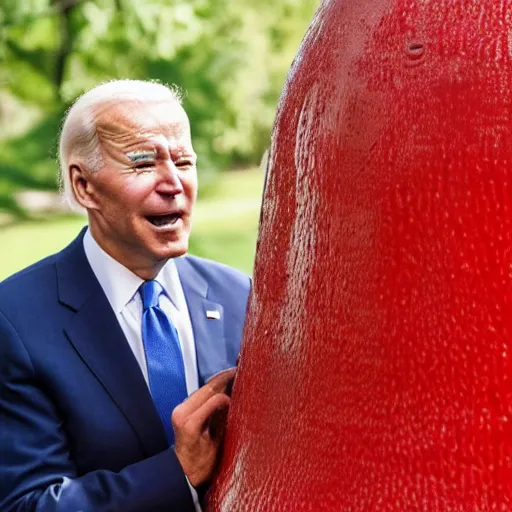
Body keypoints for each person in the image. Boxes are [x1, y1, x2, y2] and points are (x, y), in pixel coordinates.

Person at [0, 80, 251, 511]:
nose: (173, 182)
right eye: (143, 163)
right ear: (85, 187)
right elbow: (29, 503)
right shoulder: (15, 320)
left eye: (184, 161)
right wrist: (178, 471)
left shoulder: (239, 295)